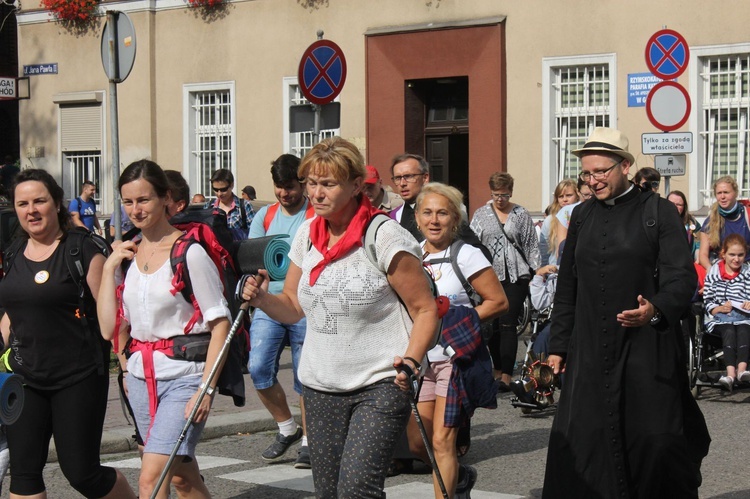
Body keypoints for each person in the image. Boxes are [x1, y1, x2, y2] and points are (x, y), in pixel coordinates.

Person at [240, 136, 438, 497]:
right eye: (311, 183)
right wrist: (262, 299)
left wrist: (410, 361)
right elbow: (293, 305)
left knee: (356, 490)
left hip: (380, 383)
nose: (315, 193)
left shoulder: (384, 236)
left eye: (327, 184)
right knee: (329, 492)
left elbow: (425, 310)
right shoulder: (307, 235)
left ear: (355, 185)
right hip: (320, 386)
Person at [543, 127, 710, 498]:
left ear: (626, 166)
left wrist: (655, 309)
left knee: (655, 443)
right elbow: (567, 288)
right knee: (585, 443)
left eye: (601, 171)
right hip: (589, 349)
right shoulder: (582, 216)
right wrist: (558, 347)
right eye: (586, 173)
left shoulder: (659, 212)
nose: (593, 180)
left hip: (645, 348)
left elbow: (682, 279)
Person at [98, 160, 232, 498]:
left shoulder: (190, 252)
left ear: (165, 198)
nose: (135, 210)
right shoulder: (126, 256)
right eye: (127, 202)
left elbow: (220, 324)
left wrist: (206, 388)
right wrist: (108, 269)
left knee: (151, 478)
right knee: (180, 478)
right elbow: (108, 328)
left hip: (185, 376)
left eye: (143, 200)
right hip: (142, 380)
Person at [0, 169, 135, 498]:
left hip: (78, 376)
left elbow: (113, 314)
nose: (31, 210)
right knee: (24, 472)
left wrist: (128, 365)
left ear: (57, 203)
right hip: (25, 376)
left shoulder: (82, 251)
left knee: (82, 473)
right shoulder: (14, 253)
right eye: (23, 203)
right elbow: (11, 315)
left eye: (39, 201)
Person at [408, 182, 507, 498]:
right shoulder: (411, 255)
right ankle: (459, 477)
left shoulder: (466, 254)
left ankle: (448, 487)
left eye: (442, 213)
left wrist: (459, 320)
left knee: (442, 440)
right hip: (422, 361)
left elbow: (498, 301)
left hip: (454, 359)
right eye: (428, 213)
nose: (434, 220)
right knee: (416, 441)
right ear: (418, 219)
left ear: (455, 219)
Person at [247, 154, 312, 468]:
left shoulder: (314, 213)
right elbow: (252, 258)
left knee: (305, 376)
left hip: (304, 305)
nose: (284, 193)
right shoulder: (266, 216)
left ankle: (309, 441)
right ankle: (287, 427)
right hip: (269, 303)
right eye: (279, 187)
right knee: (258, 368)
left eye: (290, 187)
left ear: (301, 183)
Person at [470, 172, 541, 390]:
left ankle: (507, 375)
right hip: (489, 275)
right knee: (492, 324)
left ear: (511, 192)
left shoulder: (520, 214)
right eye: (496, 195)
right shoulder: (481, 215)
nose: (500, 199)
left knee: (509, 323)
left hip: (517, 275)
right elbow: (473, 243)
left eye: (504, 195)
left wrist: (536, 272)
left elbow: (530, 244)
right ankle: (497, 368)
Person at [703, 233, 750, 391]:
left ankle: (742, 371)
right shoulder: (714, 272)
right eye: (732, 255)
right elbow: (708, 300)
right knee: (729, 330)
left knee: (744, 330)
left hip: (743, 317)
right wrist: (719, 308)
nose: (736, 259)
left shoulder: (747, 272)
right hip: (719, 319)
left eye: (740, 255)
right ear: (723, 254)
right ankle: (730, 374)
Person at [699, 176, 750, 270]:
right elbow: (703, 255)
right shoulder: (710, 221)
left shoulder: (747, 214)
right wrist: (711, 270)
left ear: (735, 193)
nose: (722, 197)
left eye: (726, 192)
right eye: (719, 193)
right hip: (722, 272)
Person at [390, 153, 430, 241]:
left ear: (425, 178)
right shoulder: (393, 217)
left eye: (408, 176)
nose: (402, 183)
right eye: (397, 178)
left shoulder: (443, 211)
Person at [539, 179, 579, 267]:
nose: (565, 199)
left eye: (569, 195)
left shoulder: (583, 216)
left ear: (577, 195)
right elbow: (544, 248)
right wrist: (544, 268)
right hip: (555, 268)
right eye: (561, 196)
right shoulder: (550, 220)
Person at [210, 169, 254, 241]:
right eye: (215, 189)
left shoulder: (244, 206)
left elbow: (254, 235)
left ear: (232, 185)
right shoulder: (209, 207)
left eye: (223, 189)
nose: (219, 194)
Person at [668, 190, 701, 260]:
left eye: (678, 205)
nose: (674, 207)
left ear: (684, 207)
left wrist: (697, 262)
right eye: (671, 203)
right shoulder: (657, 221)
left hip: (686, 265)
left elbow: (699, 246)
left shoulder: (693, 223)